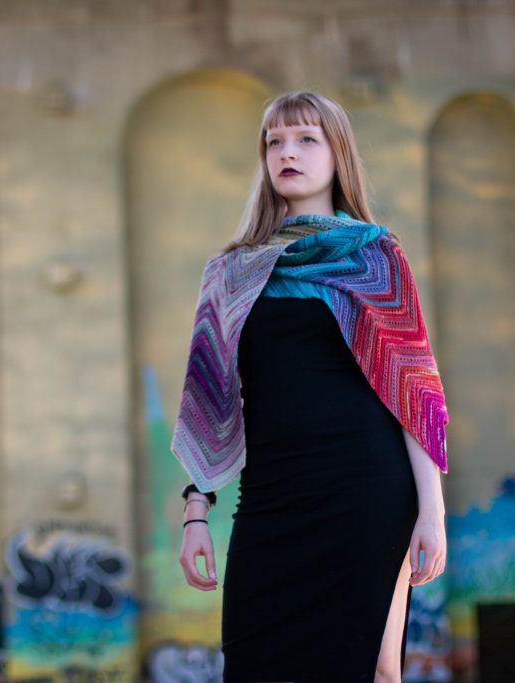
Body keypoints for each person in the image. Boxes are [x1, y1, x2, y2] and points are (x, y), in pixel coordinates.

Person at [169, 91, 450, 683]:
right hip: (272, 497)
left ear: (335, 153)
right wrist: (197, 510)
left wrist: (432, 510)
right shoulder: (230, 271)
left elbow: (414, 393)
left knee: (374, 670)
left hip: (367, 493)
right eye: (274, 142)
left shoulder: (375, 259)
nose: (286, 153)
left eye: (305, 139)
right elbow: (210, 401)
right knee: (253, 664)